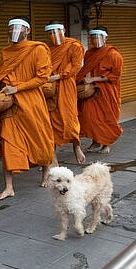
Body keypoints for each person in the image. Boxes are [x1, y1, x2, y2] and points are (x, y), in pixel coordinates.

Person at [0, 16, 54, 198]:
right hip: (10, 104)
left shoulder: (38, 49)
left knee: (39, 138)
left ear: (27, 30)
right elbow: (2, 75)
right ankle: (9, 187)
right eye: (11, 28)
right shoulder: (7, 51)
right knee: (8, 143)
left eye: (19, 28)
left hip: (32, 102)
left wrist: (17, 87)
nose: (14, 31)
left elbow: (42, 77)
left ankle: (46, 171)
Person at [76, 26, 124, 154]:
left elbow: (115, 75)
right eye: (93, 37)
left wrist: (94, 79)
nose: (95, 40)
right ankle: (95, 141)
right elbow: (86, 69)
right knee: (89, 117)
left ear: (105, 37)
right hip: (91, 91)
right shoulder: (89, 53)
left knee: (107, 118)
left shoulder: (114, 54)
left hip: (107, 91)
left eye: (98, 37)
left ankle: (107, 144)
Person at [44, 21, 86, 165]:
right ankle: (52, 157)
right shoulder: (47, 49)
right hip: (50, 89)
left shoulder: (74, 46)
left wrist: (58, 76)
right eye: (50, 33)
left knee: (70, 119)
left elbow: (76, 66)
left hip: (66, 86)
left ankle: (77, 147)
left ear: (64, 30)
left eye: (57, 31)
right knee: (51, 122)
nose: (54, 35)